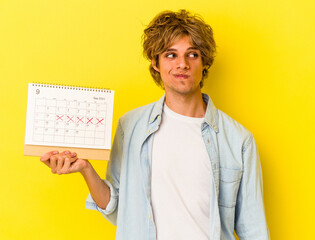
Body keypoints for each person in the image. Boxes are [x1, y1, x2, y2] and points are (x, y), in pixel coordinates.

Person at [40, 9, 270, 240]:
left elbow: (254, 229)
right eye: (171, 55)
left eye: (192, 54)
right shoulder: (130, 126)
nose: (182, 64)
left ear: (204, 63)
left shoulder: (238, 140)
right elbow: (118, 209)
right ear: (156, 63)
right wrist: (86, 170)